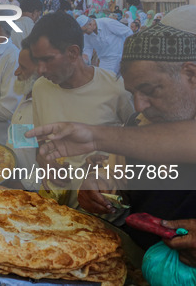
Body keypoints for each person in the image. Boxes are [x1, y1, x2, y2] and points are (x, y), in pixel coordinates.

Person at [26, 24, 196, 257]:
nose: (139, 105)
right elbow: (117, 181)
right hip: (135, 264)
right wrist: (96, 186)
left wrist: (94, 136)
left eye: (151, 90)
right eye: (133, 92)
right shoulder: (138, 123)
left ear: (191, 74)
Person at [27, 11, 134, 208]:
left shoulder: (115, 89)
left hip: (99, 212)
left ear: (73, 53)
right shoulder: (40, 88)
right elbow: (41, 140)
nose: (40, 70)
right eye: (37, 61)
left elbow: (138, 144)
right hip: (55, 205)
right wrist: (44, 161)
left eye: (47, 60)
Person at [7, 37, 40, 190]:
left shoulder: (44, 106)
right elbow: (23, 145)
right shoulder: (27, 93)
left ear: (42, 69)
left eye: (23, 68)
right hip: (14, 181)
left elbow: (57, 164)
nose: (16, 72)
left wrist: (21, 185)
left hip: (31, 193)